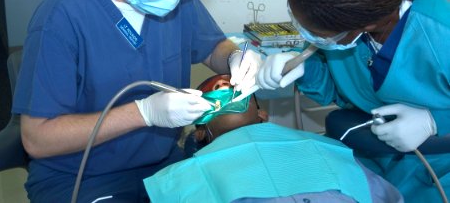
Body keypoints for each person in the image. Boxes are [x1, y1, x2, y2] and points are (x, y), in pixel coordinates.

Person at [12, 0, 261, 201]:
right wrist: (145, 113)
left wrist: (236, 57)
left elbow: (212, 48)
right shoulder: (61, 19)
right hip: (83, 177)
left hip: (163, 164)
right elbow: (37, 139)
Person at [256, 0, 450, 202]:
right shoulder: (348, 33)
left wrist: (435, 121)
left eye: (317, 32)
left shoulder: (441, 33)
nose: (310, 38)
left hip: (437, 176)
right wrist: (303, 67)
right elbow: (337, 93)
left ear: (367, 24)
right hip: (370, 160)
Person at [144, 74, 403, 203]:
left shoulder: (327, 147)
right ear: (201, 132)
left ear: (263, 114)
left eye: (234, 87)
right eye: (214, 94)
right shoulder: (182, 176)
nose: (224, 86)